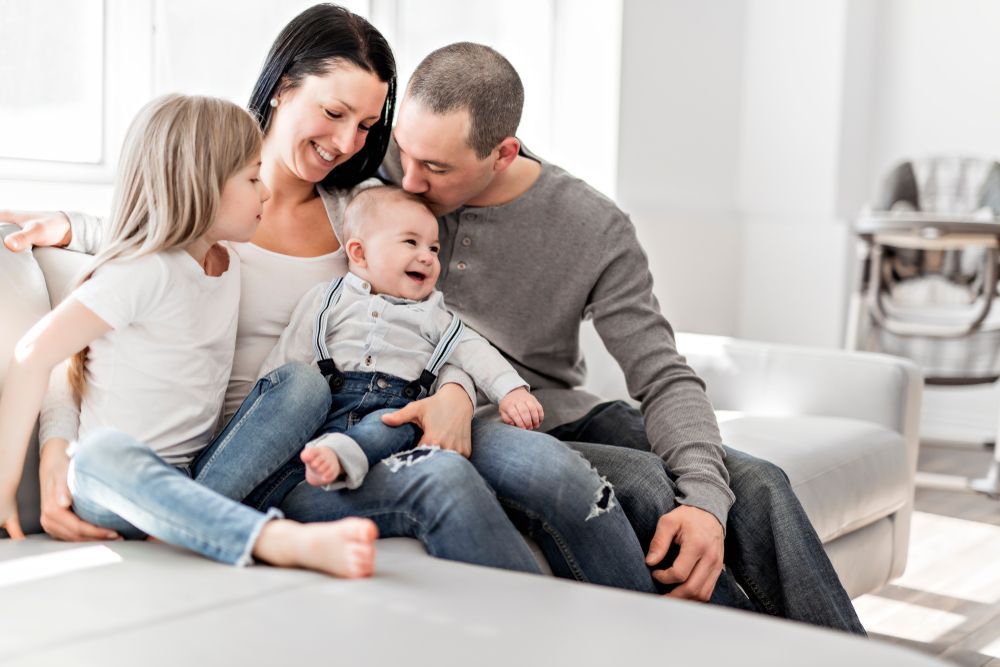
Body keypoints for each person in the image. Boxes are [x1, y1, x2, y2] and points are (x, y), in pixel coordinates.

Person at [0, 5, 686, 596]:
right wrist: (57, 447)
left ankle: (570, 636)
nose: (346, 143)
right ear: (281, 87)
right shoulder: (198, 205)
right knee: (128, 453)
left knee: (437, 465)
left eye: (365, 126)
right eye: (333, 113)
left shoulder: (360, 218)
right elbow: (82, 339)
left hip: (322, 446)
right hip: (198, 460)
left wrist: (452, 389)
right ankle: (224, 525)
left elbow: (432, 318)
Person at [376, 41, 866, 633]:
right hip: (470, 422)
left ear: (504, 152)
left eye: (436, 167)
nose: (409, 178)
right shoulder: (376, 172)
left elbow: (662, 376)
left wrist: (708, 503)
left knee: (758, 483)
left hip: (557, 408)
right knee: (641, 485)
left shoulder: (591, 225)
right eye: (406, 151)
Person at [0, 93, 377, 577]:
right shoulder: (144, 271)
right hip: (115, 486)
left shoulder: (229, 262)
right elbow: (36, 353)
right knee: (96, 456)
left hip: (198, 476)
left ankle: (184, 519)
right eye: (252, 178)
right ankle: (271, 538)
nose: (266, 192)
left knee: (304, 383)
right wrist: (7, 484)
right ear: (202, 186)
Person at [261, 186, 544, 490]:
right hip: (327, 410)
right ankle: (326, 458)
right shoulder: (328, 300)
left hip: (394, 415)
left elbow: (475, 351)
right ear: (359, 253)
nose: (427, 257)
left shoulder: (434, 314)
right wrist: (260, 409)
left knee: (398, 425)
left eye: (434, 249)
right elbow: (289, 356)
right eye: (411, 242)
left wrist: (512, 391)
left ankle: (343, 456)